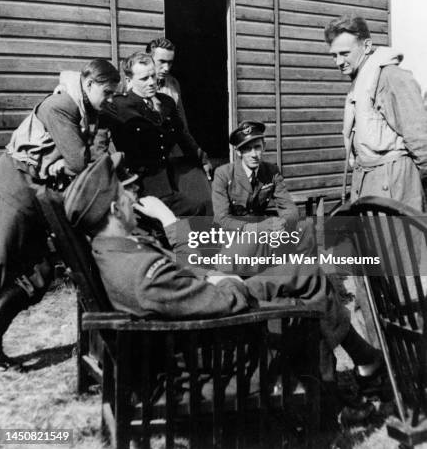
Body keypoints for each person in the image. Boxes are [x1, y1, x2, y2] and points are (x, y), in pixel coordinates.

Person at [64, 153, 387, 405]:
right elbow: (222, 300)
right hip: (218, 349)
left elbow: (183, 274)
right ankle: (358, 374)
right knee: (306, 289)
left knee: (300, 263)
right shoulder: (138, 273)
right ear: (114, 209)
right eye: (126, 192)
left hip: (202, 309)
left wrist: (171, 223)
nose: (133, 196)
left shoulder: (117, 249)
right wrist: (226, 278)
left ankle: (365, 363)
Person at [0, 58, 120, 370]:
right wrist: (86, 156)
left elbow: (87, 156)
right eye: (105, 92)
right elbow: (81, 162)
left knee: (39, 274)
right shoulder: (61, 105)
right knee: (1, 264)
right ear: (88, 84)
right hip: (17, 185)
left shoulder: (88, 112)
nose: (108, 101)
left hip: (42, 195)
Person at [325, 14, 427, 209]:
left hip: (395, 186)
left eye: (345, 53)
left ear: (367, 46)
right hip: (366, 183)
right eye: (334, 55)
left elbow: (420, 138)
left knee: (400, 240)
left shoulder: (391, 77)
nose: (338, 62)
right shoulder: (359, 81)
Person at [98, 51, 209, 217]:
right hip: (140, 185)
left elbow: (182, 136)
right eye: (144, 79)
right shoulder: (117, 106)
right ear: (129, 80)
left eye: (153, 76)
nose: (151, 83)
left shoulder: (166, 102)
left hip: (170, 180)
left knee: (202, 206)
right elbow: (98, 141)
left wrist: (202, 158)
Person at [212, 121, 305, 274]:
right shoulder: (223, 174)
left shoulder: (271, 171)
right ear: (238, 152)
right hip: (235, 236)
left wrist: (281, 224)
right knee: (230, 269)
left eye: (257, 147)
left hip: (264, 233)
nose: (254, 154)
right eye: (247, 149)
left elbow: (289, 208)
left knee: (305, 231)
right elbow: (222, 219)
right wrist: (257, 228)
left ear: (264, 147)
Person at [146, 37, 213, 179]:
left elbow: (181, 126)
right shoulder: (130, 85)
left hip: (169, 156)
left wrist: (201, 156)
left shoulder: (172, 84)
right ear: (148, 59)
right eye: (162, 62)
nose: (166, 68)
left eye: (170, 63)